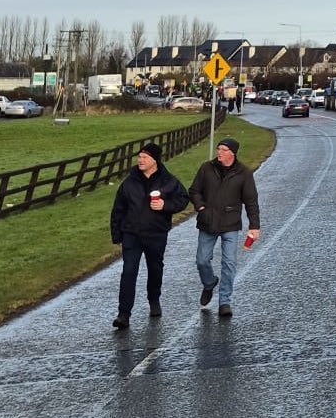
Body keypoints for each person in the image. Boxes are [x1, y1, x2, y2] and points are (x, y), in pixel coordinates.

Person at [109, 142, 189, 329]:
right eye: (139, 157)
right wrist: (117, 235)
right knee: (129, 272)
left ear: (154, 160)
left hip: (156, 233)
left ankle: (154, 299)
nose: (140, 160)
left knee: (155, 269)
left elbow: (183, 199)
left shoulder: (168, 181)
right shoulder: (129, 182)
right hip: (132, 234)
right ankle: (123, 314)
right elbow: (117, 210)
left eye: (145, 157)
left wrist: (165, 206)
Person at [189, 136, 259, 319]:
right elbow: (194, 191)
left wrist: (254, 226)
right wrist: (201, 207)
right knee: (202, 260)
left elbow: (251, 201)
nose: (218, 152)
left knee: (229, 262)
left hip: (230, 223)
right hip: (208, 221)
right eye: (218, 149)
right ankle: (209, 282)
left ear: (232, 153)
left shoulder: (244, 173)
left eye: (222, 150)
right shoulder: (206, 168)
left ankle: (224, 301)